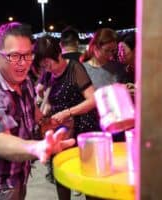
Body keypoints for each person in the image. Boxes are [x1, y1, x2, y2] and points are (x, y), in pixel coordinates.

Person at [0, 22, 75, 200]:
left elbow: (33, 112)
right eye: (15, 56)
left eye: (28, 55)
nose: (23, 64)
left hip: (19, 171)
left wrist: (49, 123)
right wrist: (37, 147)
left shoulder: (23, 78)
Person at [33, 35, 101, 200]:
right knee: (61, 178)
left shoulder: (74, 68)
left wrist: (67, 112)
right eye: (43, 65)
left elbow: (93, 100)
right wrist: (43, 115)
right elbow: (50, 102)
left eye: (48, 63)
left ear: (58, 53)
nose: (47, 68)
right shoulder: (50, 75)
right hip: (62, 131)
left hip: (83, 129)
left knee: (89, 182)